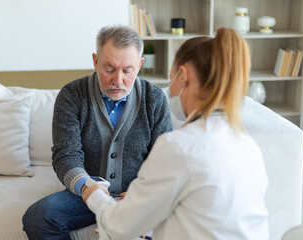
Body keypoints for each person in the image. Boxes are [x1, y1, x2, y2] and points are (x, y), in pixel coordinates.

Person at [81, 27, 269, 240]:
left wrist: (94, 195)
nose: (170, 92)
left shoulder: (179, 146)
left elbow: (118, 225)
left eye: (172, 79)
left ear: (184, 76)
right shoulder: (247, 144)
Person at [22, 25, 172, 239]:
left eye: (127, 70)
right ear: (95, 61)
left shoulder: (154, 99)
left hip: (138, 196)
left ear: (139, 66)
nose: (118, 80)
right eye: (109, 69)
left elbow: (164, 160)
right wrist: (88, 188)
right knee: (38, 218)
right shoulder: (72, 95)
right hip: (86, 194)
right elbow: (66, 155)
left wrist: (143, 195)